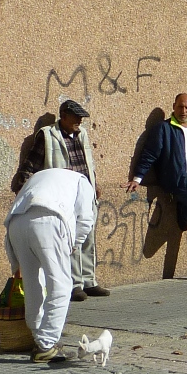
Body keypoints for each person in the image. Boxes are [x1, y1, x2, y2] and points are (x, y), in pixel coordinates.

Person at [124, 93, 187, 281]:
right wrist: (137, 178)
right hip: (183, 183)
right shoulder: (164, 129)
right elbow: (150, 153)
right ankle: (185, 213)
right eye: (180, 107)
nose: (183, 111)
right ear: (174, 106)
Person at [14, 99, 110, 302]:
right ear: (63, 116)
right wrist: (23, 186)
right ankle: (74, 284)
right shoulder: (48, 135)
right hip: (63, 195)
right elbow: (32, 163)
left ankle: (88, 280)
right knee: (71, 239)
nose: (80, 121)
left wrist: (95, 184)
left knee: (88, 238)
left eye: (81, 118)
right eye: (76, 117)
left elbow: (87, 163)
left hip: (84, 192)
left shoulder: (82, 134)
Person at [5, 168, 96, 362]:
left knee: (32, 283)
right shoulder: (83, 182)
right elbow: (86, 219)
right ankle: (46, 344)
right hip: (49, 221)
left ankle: (39, 338)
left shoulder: (44, 176)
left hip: (16, 223)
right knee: (61, 286)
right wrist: (74, 244)